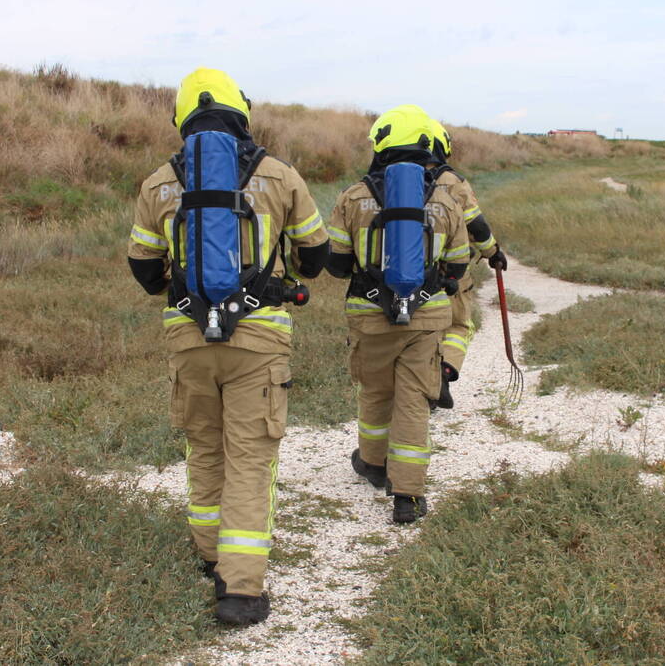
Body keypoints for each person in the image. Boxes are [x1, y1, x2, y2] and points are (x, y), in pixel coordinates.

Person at [127, 67, 329, 626]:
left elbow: (144, 271)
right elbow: (316, 255)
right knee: (250, 455)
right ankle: (240, 589)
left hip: (188, 339)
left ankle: (209, 553)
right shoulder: (280, 175)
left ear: (181, 119)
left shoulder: (158, 184)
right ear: (243, 112)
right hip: (259, 340)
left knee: (205, 446)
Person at [325, 104, 470, 523]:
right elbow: (458, 265)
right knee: (413, 402)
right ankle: (407, 495)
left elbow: (335, 264)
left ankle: (372, 464)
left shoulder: (353, 197)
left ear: (382, 145)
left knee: (374, 390)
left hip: (369, 316)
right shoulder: (444, 200)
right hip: (425, 321)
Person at [427, 119, 507, 409]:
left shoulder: (391, 181)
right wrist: (493, 252)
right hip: (451, 273)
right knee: (458, 326)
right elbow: (477, 225)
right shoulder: (452, 183)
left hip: (407, 273)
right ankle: (444, 373)